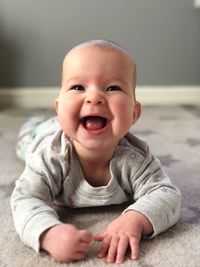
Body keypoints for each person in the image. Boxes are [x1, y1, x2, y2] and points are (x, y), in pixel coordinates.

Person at [10, 39, 181, 264]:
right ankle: (39, 123)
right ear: (59, 106)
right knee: (30, 137)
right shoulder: (50, 156)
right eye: (78, 87)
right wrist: (48, 233)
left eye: (112, 88)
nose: (94, 97)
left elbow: (167, 194)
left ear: (134, 113)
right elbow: (26, 198)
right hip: (40, 137)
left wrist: (136, 219)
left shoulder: (135, 159)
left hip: (67, 123)